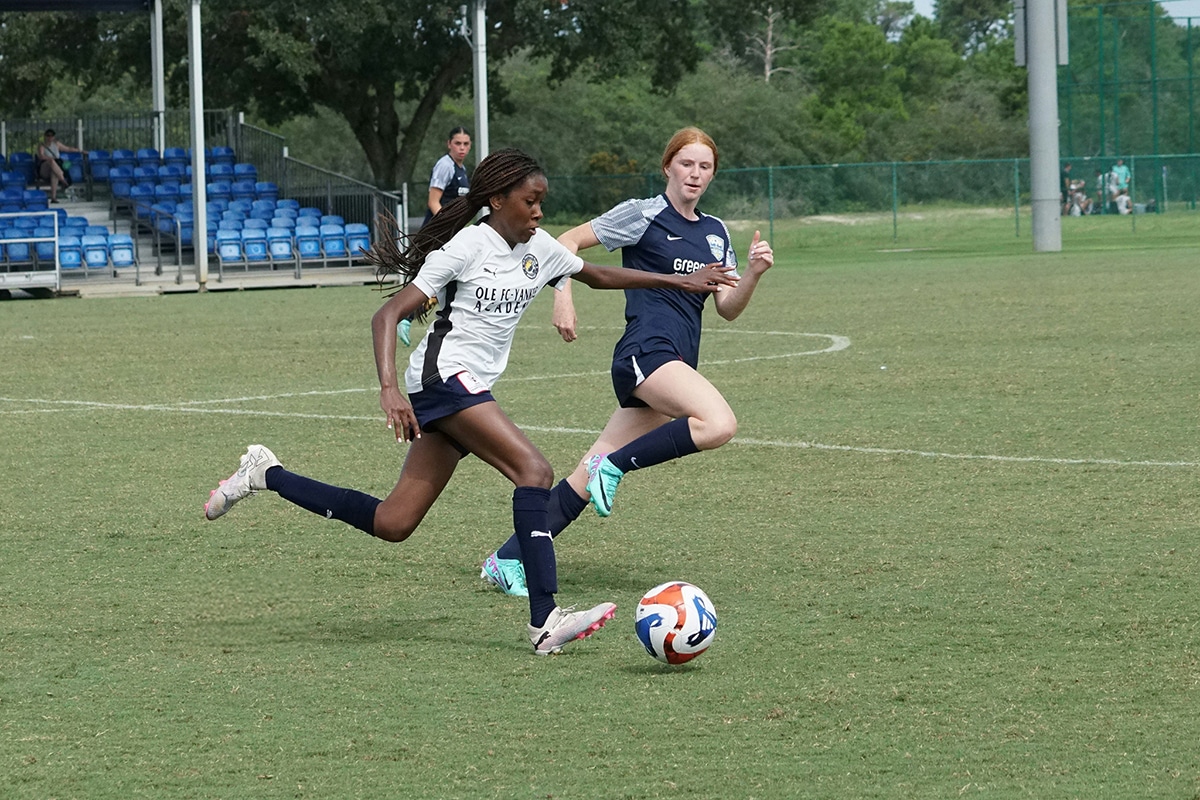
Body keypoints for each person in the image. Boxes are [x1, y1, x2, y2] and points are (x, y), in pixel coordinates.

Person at [202, 148, 738, 655]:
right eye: (530, 201)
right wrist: (390, 389)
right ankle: (544, 621)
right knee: (534, 471)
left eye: (541, 201)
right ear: (498, 200)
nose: (539, 211)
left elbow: (598, 275)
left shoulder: (538, 248)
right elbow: (387, 316)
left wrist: (681, 282)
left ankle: (264, 474)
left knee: (394, 522)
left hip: (466, 389)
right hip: (440, 380)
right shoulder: (465, 247)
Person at [479, 127, 774, 597]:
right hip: (645, 352)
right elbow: (568, 241)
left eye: (705, 167)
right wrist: (563, 296)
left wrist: (753, 274)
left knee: (581, 475)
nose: (695, 174)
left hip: (676, 362)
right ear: (667, 167)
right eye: (686, 164)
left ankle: (508, 559)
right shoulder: (642, 215)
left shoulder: (716, 233)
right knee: (718, 423)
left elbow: (727, 308)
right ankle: (614, 466)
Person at [398, 127, 473, 348]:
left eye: (466, 144)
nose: (462, 148)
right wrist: (450, 227)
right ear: (448, 144)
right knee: (432, 280)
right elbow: (433, 202)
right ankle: (402, 316)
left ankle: (408, 317)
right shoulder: (445, 166)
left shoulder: (462, 170)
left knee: (448, 280)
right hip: (437, 234)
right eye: (457, 143)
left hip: (449, 234)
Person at [35, 129, 83, 204]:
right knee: (51, 161)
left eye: (51, 135)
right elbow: (41, 156)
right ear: (45, 136)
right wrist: (51, 158)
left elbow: (68, 149)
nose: (50, 137)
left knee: (54, 174)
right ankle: (63, 180)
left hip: (54, 169)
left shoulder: (56, 144)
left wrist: (80, 151)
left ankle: (53, 197)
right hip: (44, 168)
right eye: (48, 135)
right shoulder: (42, 145)